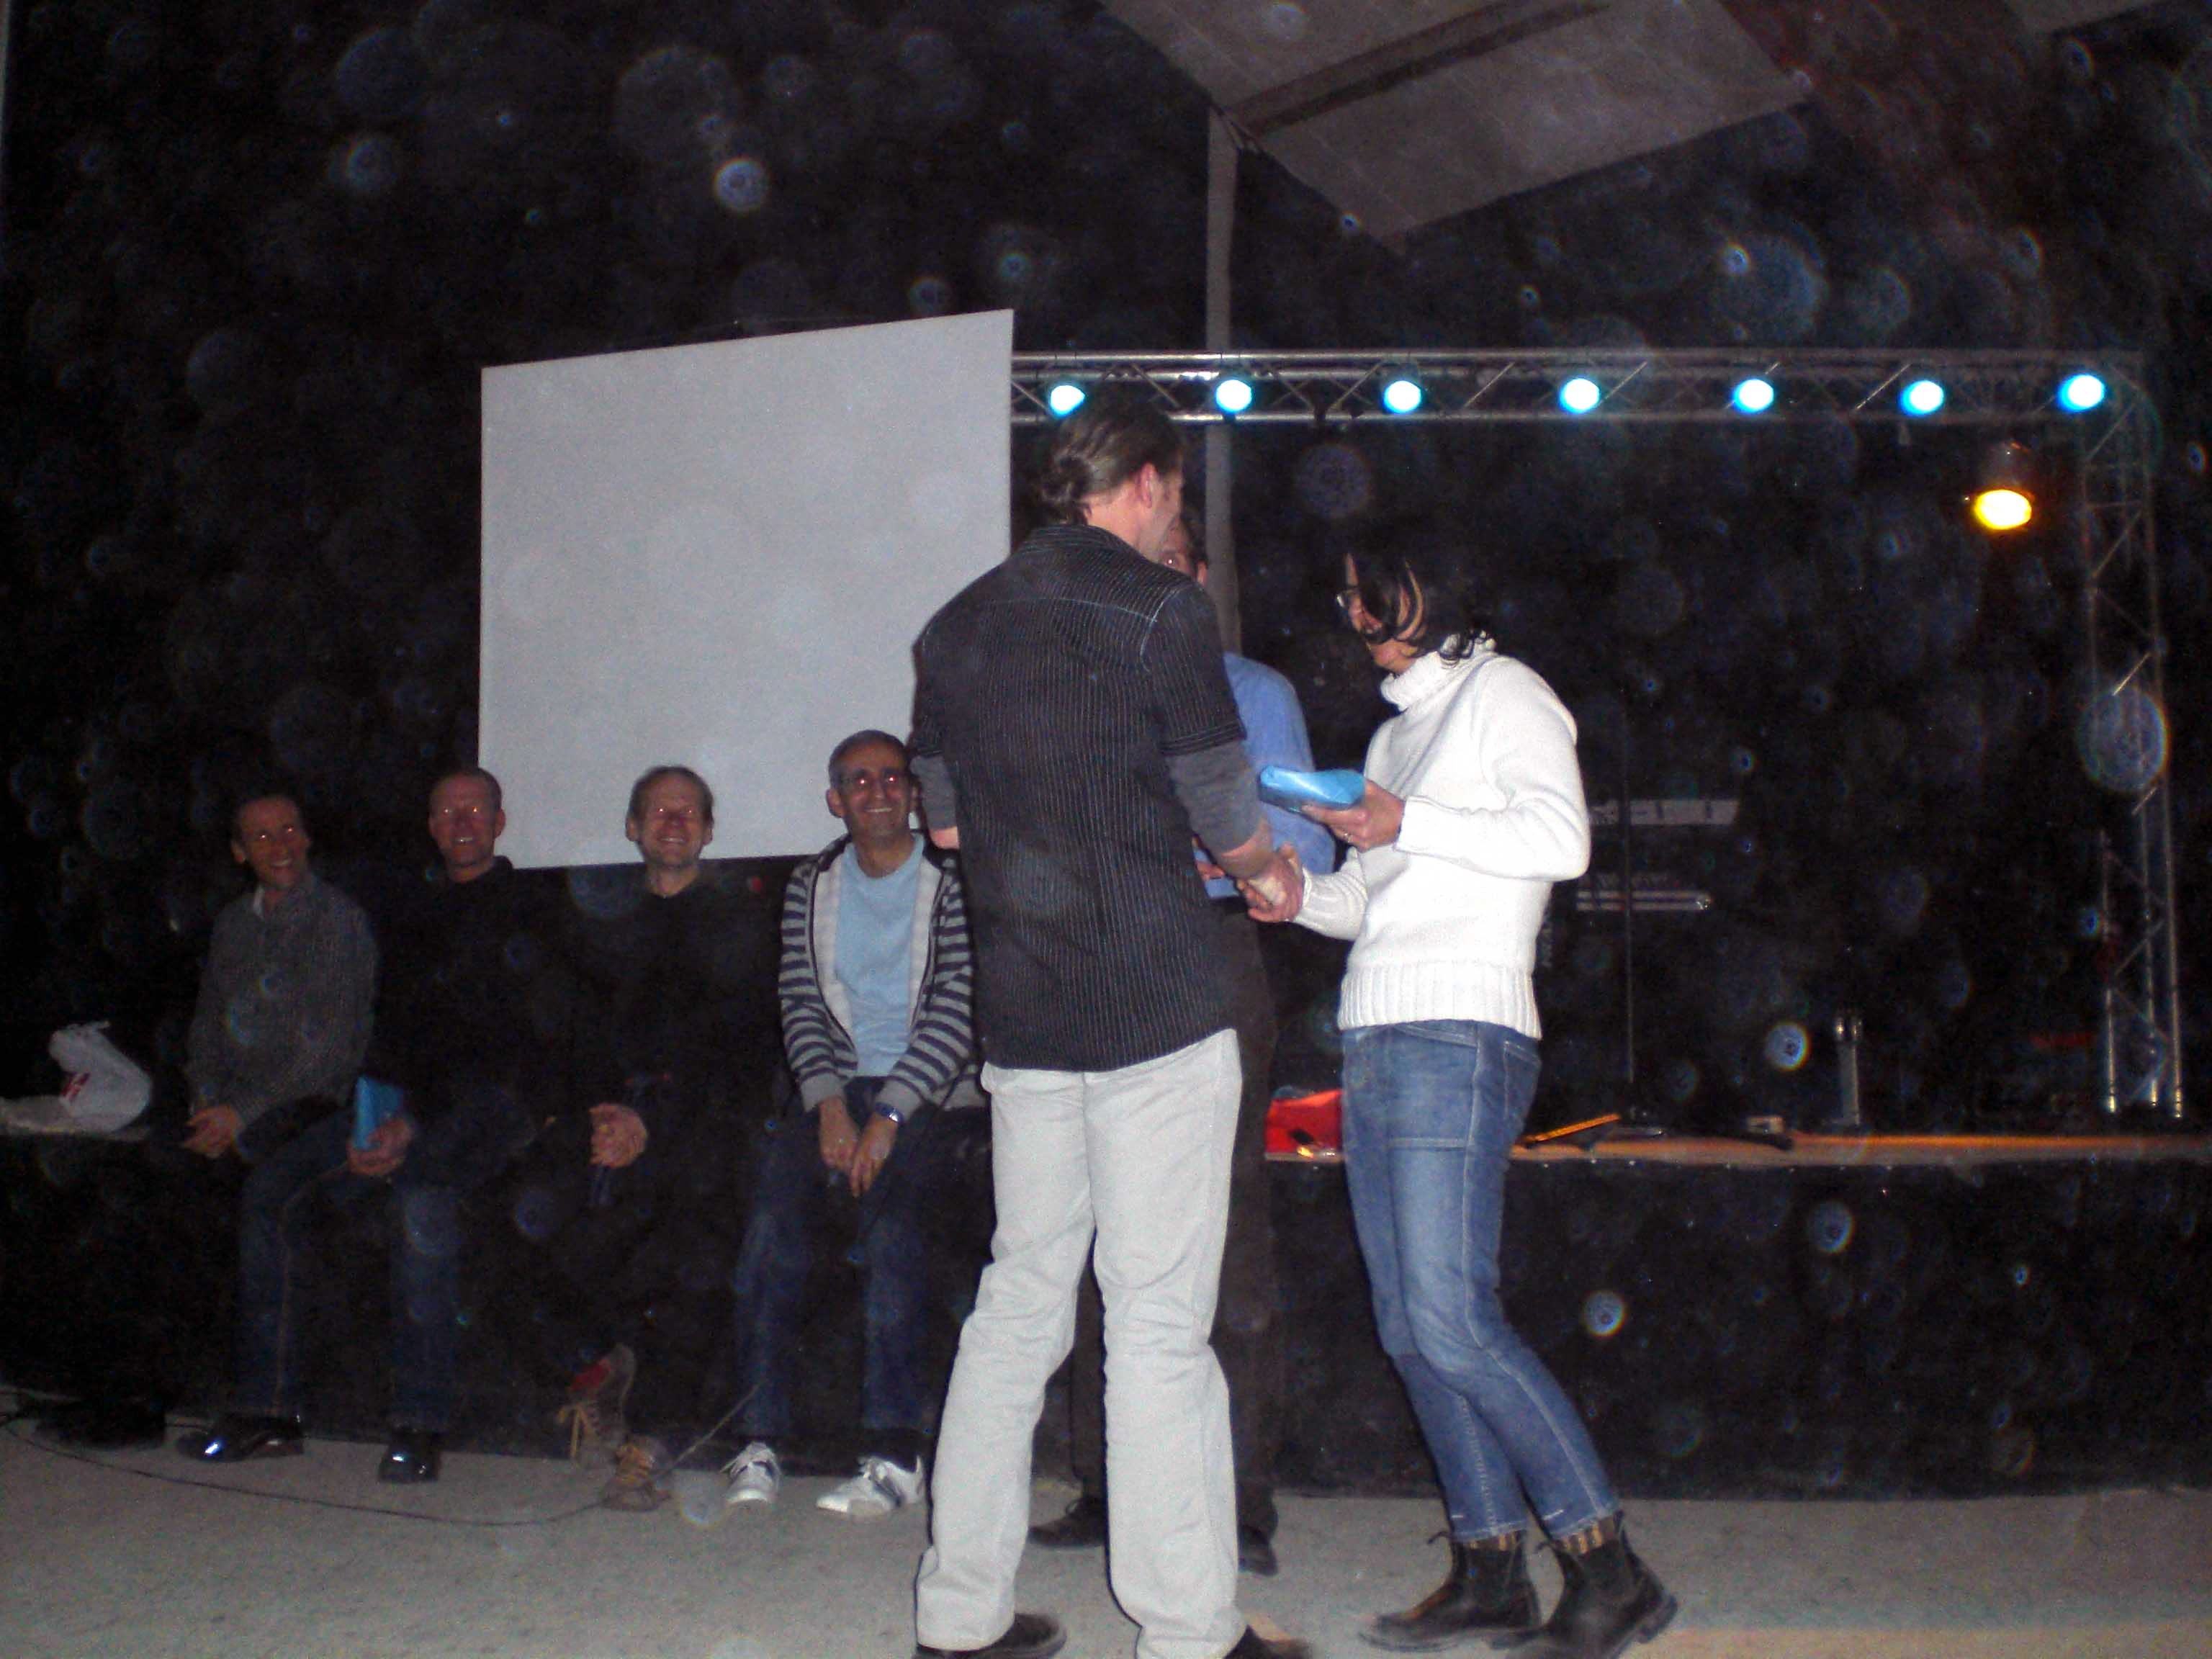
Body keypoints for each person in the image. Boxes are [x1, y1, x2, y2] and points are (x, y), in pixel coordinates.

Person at [907, 390, 1307, 1659]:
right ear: (1142, 482)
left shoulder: (953, 625)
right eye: (1175, 493)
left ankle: (958, 1616)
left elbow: (946, 826)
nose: (1175, 516)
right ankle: (1187, 1629)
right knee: (1156, 1322)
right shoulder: (1161, 610)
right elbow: (1223, 805)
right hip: (1155, 1005)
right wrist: (1272, 875)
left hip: (1027, 1017)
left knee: (1017, 1306)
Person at [1244, 545, 1676, 1658]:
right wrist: (1295, 894)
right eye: (1344, 593)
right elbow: (1369, 904)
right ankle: (1492, 1572)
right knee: (1409, 1326)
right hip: (1377, 1033)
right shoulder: (1395, 736)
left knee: (1452, 1318)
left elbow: (1562, 840)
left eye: (1367, 589)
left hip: (1462, 1032)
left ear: (1428, 589)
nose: (1350, 609)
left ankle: (1612, 1572)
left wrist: (1409, 824)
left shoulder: (1506, 691)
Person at [1031, 513, 1334, 1578]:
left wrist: (1187, 855)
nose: (1152, 585)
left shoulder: (1254, 692)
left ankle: (1237, 1503)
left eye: (1171, 565)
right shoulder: (1077, 693)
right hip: (1096, 957)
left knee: (1225, 1224)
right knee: (1090, 1219)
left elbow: (1302, 848)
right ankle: (1107, 1484)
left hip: (1209, 956)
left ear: (1199, 579)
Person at [713, 729, 977, 1521]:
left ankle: (895, 1454)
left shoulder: (954, 877)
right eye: (859, 780)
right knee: (771, 1222)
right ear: (836, 800)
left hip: (935, 1097)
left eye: (892, 777)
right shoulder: (813, 883)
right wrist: (827, 1103)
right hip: (838, 1089)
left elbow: (961, 1006)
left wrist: (889, 1114)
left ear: (915, 792)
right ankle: (759, 1438)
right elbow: (800, 1000)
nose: (878, 791)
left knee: (893, 1232)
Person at [526, 764, 775, 1511]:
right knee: (520, 1211)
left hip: (703, 1121)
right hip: (609, 1116)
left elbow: (742, 1055)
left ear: (710, 829)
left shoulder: (741, 924)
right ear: (632, 827)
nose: (673, 822)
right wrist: (599, 1112)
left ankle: (654, 1443)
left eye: (688, 811)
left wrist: (649, 1123)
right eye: (658, 811)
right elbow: (570, 1032)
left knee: (689, 1244)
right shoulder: (596, 922)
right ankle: (602, 1362)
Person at [175, 791, 377, 1465]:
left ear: (308, 837)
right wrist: (209, 1102)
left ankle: (272, 1414)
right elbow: (207, 1027)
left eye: (289, 830)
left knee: (268, 1196)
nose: (280, 845)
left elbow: (329, 1052)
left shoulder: (337, 920)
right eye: (261, 836)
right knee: (154, 1169)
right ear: (240, 852)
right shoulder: (234, 924)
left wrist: (241, 1113)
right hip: (239, 1106)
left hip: (319, 1107)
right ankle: (152, 1389)